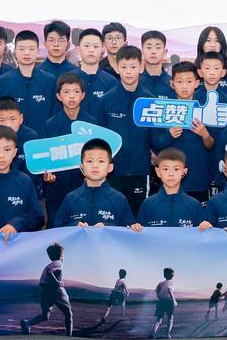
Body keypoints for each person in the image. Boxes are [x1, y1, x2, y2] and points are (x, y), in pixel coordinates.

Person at [97, 45, 152, 212]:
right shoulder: (106, 100)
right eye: (124, 67)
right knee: (113, 214)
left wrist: (169, 134)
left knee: (139, 216)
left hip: (140, 170)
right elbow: (100, 138)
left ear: (141, 67)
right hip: (113, 171)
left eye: (133, 67)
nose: (128, 72)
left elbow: (156, 138)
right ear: (117, 68)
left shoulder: (149, 100)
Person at [148, 62, 214, 201]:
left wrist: (205, 134)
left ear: (196, 83)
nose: (184, 86)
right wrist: (169, 135)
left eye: (189, 81)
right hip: (169, 180)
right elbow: (155, 143)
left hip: (198, 179)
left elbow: (211, 145)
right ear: (172, 84)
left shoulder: (205, 110)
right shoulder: (163, 109)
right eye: (179, 81)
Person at [51, 139, 140, 229]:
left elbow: (128, 230)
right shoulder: (71, 198)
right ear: (81, 167)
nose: (95, 165)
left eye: (101, 161)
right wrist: (74, 226)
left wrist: (109, 227)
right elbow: (57, 230)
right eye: (89, 161)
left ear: (110, 167)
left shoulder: (119, 199)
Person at [42, 73, 96, 218]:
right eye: (66, 92)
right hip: (57, 185)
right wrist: (47, 174)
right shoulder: (50, 125)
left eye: (76, 92)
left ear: (83, 95)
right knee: (57, 224)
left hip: (84, 184)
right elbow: (46, 158)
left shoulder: (91, 123)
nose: (71, 96)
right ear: (59, 96)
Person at [0, 29, 57, 134]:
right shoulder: (3, 81)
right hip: (11, 141)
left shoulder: (49, 81)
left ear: (38, 51)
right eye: (22, 49)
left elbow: (55, 114)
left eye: (31, 49)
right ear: (15, 51)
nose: (26, 53)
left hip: (42, 140)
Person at [137, 148, 204, 227]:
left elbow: (203, 233)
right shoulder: (148, 205)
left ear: (184, 172)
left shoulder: (194, 205)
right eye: (166, 169)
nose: (171, 174)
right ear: (158, 172)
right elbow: (140, 233)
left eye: (176, 169)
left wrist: (207, 228)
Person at [21, 243, 73, 336]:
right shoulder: (58, 263)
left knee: (45, 316)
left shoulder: (51, 264)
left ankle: (27, 323)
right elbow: (50, 272)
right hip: (56, 290)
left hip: (44, 291)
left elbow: (49, 270)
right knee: (68, 314)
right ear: (61, 254)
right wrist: (57, 282)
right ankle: (69, 335)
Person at [72, 28, 117, 108]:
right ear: (78, 49)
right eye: (86, 46)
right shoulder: (67, 80)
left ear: (103, 49)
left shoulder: (111, 82)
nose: (91, 50)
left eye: (96, 46)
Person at [139, 30, 173, 96]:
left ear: (165, 52)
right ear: (142, 52)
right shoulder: (134, 82)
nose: (153, 51)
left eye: (158, 47)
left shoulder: (172, 84)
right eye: (149, 47)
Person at [152, 267, 178, 339]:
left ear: (164, 275)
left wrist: (160, 297)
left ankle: (153, 333)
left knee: (159, 319)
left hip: (161, 302)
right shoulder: (172, 283)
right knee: (170, 318)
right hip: (169, 302)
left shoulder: (160, 283)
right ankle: (168, 334)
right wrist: (174, 300)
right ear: (172, 275)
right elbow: (170, 290)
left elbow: (157, 291)